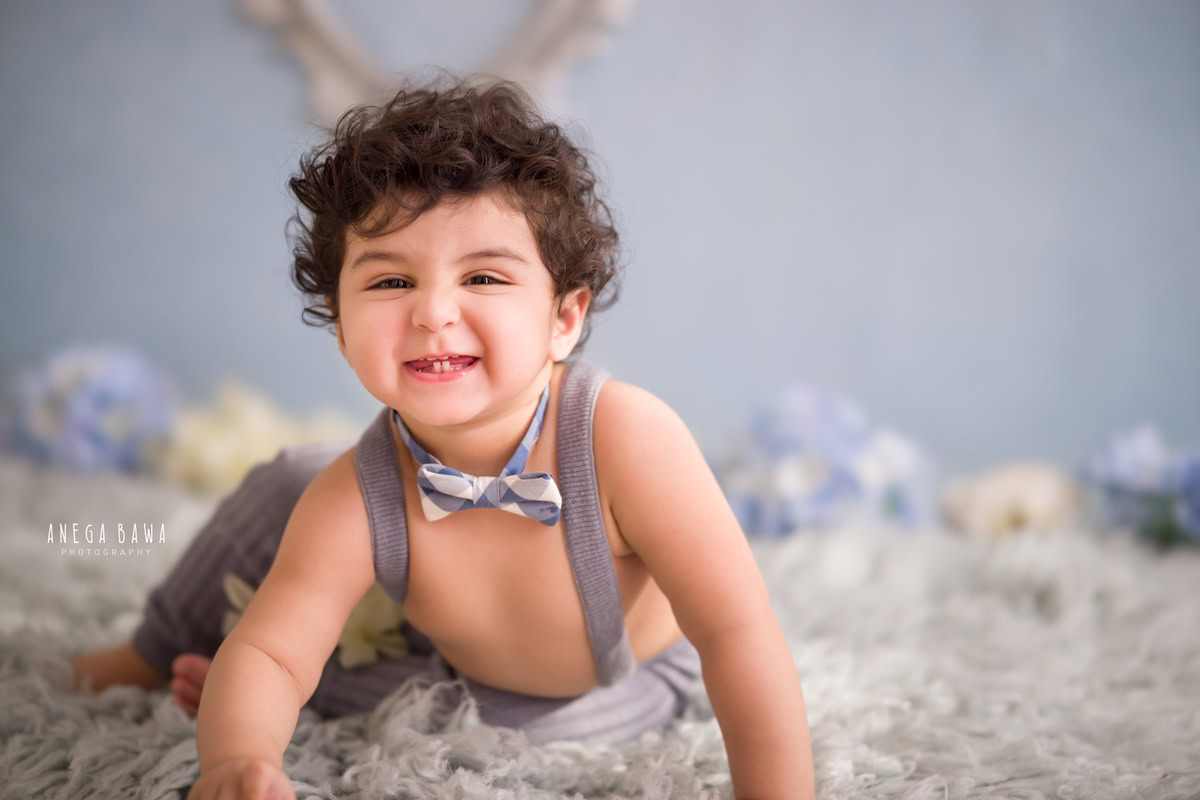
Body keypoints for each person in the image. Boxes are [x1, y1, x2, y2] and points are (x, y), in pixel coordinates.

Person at [70, 73, 815, 800]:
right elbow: (269, 649)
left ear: (564, 318)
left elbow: (735, 631)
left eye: (483, 279)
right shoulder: (358, 492)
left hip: (600, 684)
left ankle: (312, 685)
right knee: (289, 489)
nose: (432, 312)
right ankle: (152, 653)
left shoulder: (623, 439)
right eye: (390, 282)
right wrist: (237, 758)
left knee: (467, 720)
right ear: (339, 324)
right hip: (450, 656)